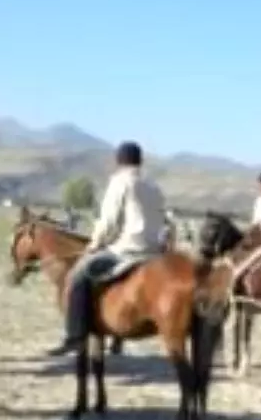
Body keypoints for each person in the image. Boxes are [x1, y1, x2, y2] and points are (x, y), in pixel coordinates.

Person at [46, 141, 169, 356]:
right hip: (155, 252)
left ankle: (75, 336)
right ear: (140, 161)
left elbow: (109, 221)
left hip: (128, 249)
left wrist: (94, 244)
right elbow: (164, 220)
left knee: (78, 275)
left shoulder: (121, 182)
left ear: (118, 161)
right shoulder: (153, 186)